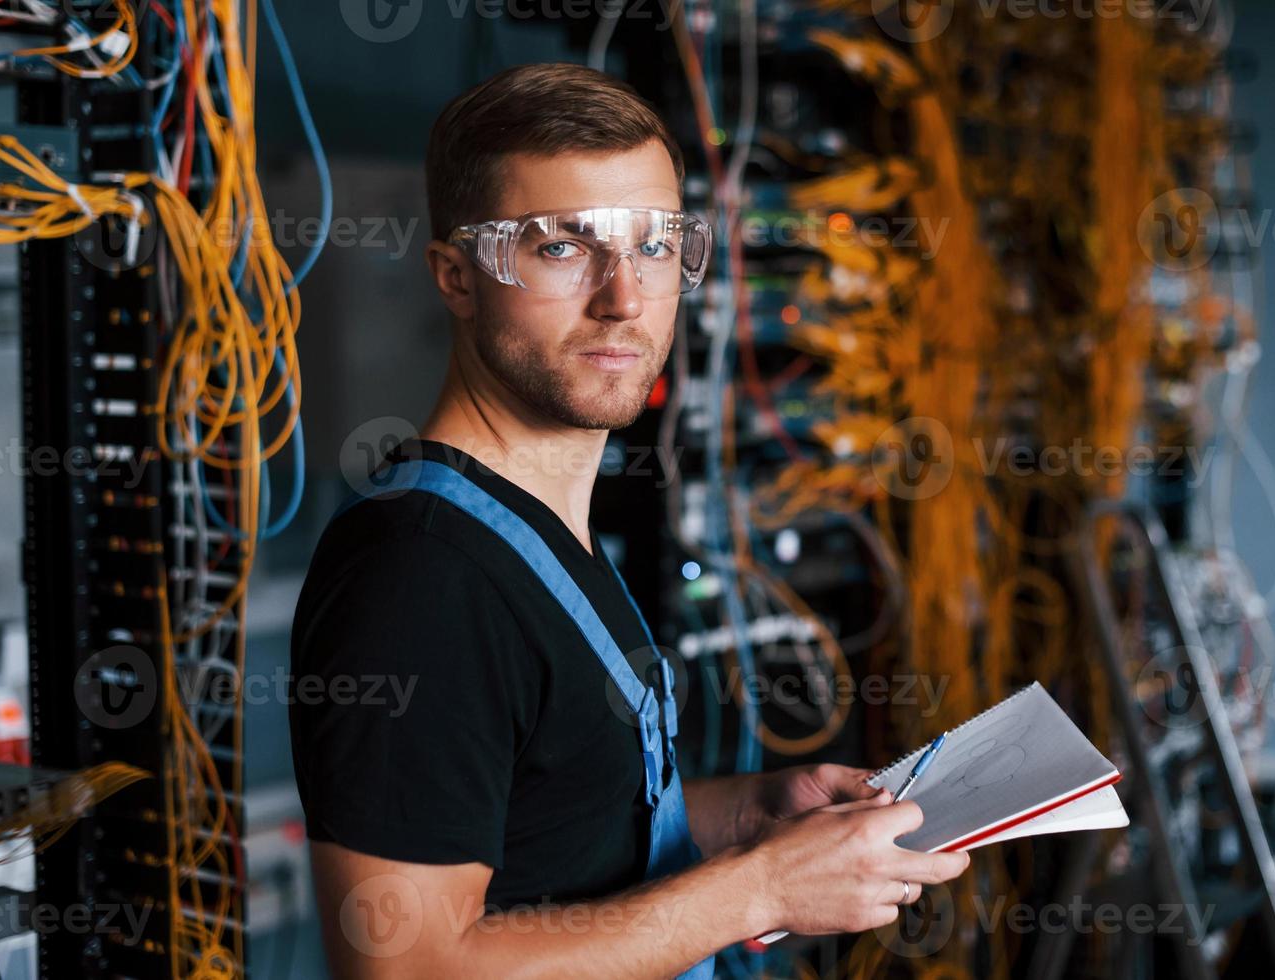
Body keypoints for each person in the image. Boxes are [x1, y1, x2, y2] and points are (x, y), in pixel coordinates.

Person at [289, 61, 970, 979]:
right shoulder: (421, 575)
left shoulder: (539, 531)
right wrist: (762, 888)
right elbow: (407, 968)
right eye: (562, 247)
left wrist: (751, 818)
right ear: (456, 275)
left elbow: (555, 821)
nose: (624, 297)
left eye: (654, 245)